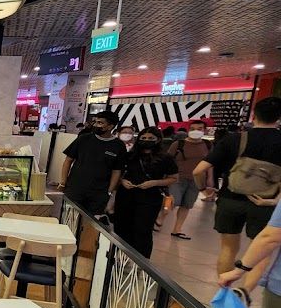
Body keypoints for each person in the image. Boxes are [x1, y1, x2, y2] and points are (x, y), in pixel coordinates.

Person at [195, 96, 281, 282]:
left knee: (228, 248)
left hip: (230, 199)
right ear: (278, 118)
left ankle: (224, 291)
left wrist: (203, 189)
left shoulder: (234, 139)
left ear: (254, 115)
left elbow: (198, 170)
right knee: (260, 253)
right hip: (263, 203)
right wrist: (275, 200)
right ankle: (245, 293)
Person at [112, 127, 178, 258]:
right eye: (143, 138)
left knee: (143, 230)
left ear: (158, 140)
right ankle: (119, 257)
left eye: (150, 138)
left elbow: (174, 178)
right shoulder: (129, 155)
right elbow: (118, 172)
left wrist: (154, 182)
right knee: (121, 227)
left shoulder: (166, 158)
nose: (146, 140)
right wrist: (122, 181)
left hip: (150, 198)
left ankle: (141, 261)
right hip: (126, 195)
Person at [56, 110, 126, 216]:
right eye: (95, 122)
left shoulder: (118, 145)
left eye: (100, 123)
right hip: (75, 189)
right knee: (69, 217)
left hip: (99, 193)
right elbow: (68, 160)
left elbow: (116, 171)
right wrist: (63, 182)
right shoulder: (84, 139)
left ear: (110, 126)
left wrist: (109, 191)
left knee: (91, 222)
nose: (96, 125)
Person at [161, 119, 211, 239]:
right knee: (172, 201)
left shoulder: (208, 145)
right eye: (192, 129)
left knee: (187, 204)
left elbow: (210, 163)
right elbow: (167, 160)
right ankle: (161, 217)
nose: (196, 131)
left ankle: (177, 229)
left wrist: (209, 179)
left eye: (199, 129)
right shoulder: (178, 144)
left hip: (196, 180)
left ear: (205, 130)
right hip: (177, 178)